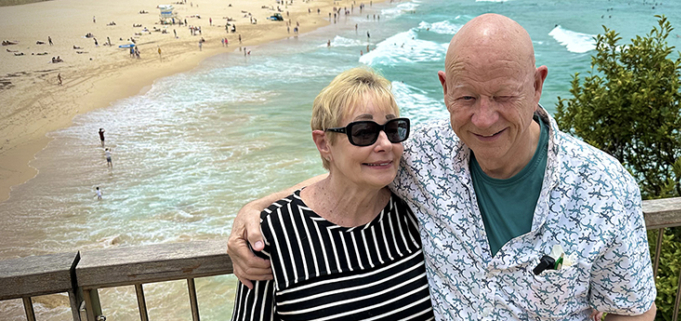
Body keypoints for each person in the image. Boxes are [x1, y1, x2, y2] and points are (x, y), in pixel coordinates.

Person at [229, 14, 656, 320]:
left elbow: (631, 310)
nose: (484, 119)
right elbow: (349, 170)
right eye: (467, 98)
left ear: (537, 84)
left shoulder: (604, 187)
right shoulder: (421, 155)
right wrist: (255, 210)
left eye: (504, 96)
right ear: (445, 88)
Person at [230, 67, 433, 320]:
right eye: (364, 132)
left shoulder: (415, 212)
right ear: (324, 144)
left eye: (393, 129)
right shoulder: (273, 233)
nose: (385, 144)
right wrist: (253, 208)